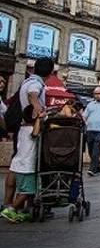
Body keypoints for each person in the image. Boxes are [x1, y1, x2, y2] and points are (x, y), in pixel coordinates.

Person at [2, 57, 54, 223]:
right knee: (26, 170)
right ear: (51, 72)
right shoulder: (36, 84)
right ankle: (13, 207)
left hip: (23, 127)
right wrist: (39, 112)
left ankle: (9, 204)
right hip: (31, 129)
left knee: (14, 166)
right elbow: (33, 94)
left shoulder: (26, 81)